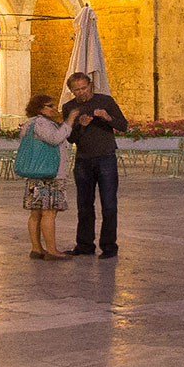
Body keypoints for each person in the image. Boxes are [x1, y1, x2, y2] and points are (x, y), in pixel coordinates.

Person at [62, 72, 128, 258]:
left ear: (90, 85)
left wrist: (107, 117)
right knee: (84, 205)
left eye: (84, 88)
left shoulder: (105, 101)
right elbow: (70, 138)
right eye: (77, 90)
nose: (82, 93)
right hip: (83, 159)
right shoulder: (70, 108)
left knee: (108, 204)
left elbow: (123, 125)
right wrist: (80, 125)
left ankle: (109, 246)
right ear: (71, 91)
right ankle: (84, 245)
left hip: (106, 157)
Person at [16, 95, 73, 259]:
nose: (54, 108)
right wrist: (69, 122)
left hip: (35, 172)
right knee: (49, 212)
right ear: (40, 108)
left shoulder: (29, 124)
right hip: (49, 174)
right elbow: (55, 139)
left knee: (36, 212)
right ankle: (52, 250)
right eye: (50, 106)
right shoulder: (42, 123)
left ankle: (36, 248)